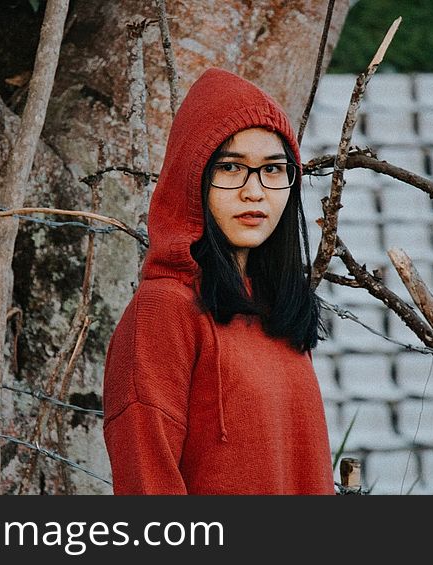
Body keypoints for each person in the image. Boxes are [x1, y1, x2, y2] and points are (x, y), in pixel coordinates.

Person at [102, 67, 334, 495]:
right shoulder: (162, 312)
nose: (254, 191)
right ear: (193, 179)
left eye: (273, 169)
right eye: (230, 167)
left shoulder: (276, 308)